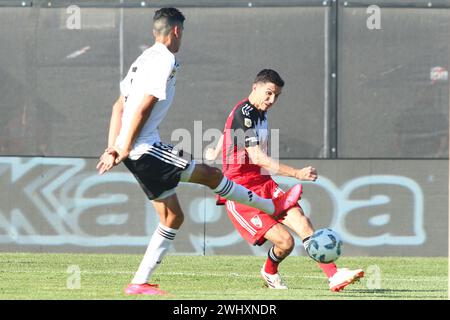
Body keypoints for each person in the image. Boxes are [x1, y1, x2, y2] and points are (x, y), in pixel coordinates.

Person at [96, 8, 302, 296]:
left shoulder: (140, 61)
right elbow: (143, 107)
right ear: (177, 31)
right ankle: (270, 207)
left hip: (132, 150)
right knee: (212, 174)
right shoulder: (165, 59)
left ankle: (139, 283)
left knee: (172, 217)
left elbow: (118, 106)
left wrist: (114, 147)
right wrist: (124, 146)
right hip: (145, 148)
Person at [205, 69, 364, 291]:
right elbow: (258, 157)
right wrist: (297, 173)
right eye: (268, 93)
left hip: (263, 184)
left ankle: (334, 275)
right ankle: (269, 272)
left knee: (302, 222)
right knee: (285, 243)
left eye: (276, 96)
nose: (272, 100)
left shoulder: (257, 112)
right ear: (255, 87)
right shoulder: (245, 113)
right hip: (239, 191)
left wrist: (214, 150)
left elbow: (230, 128)